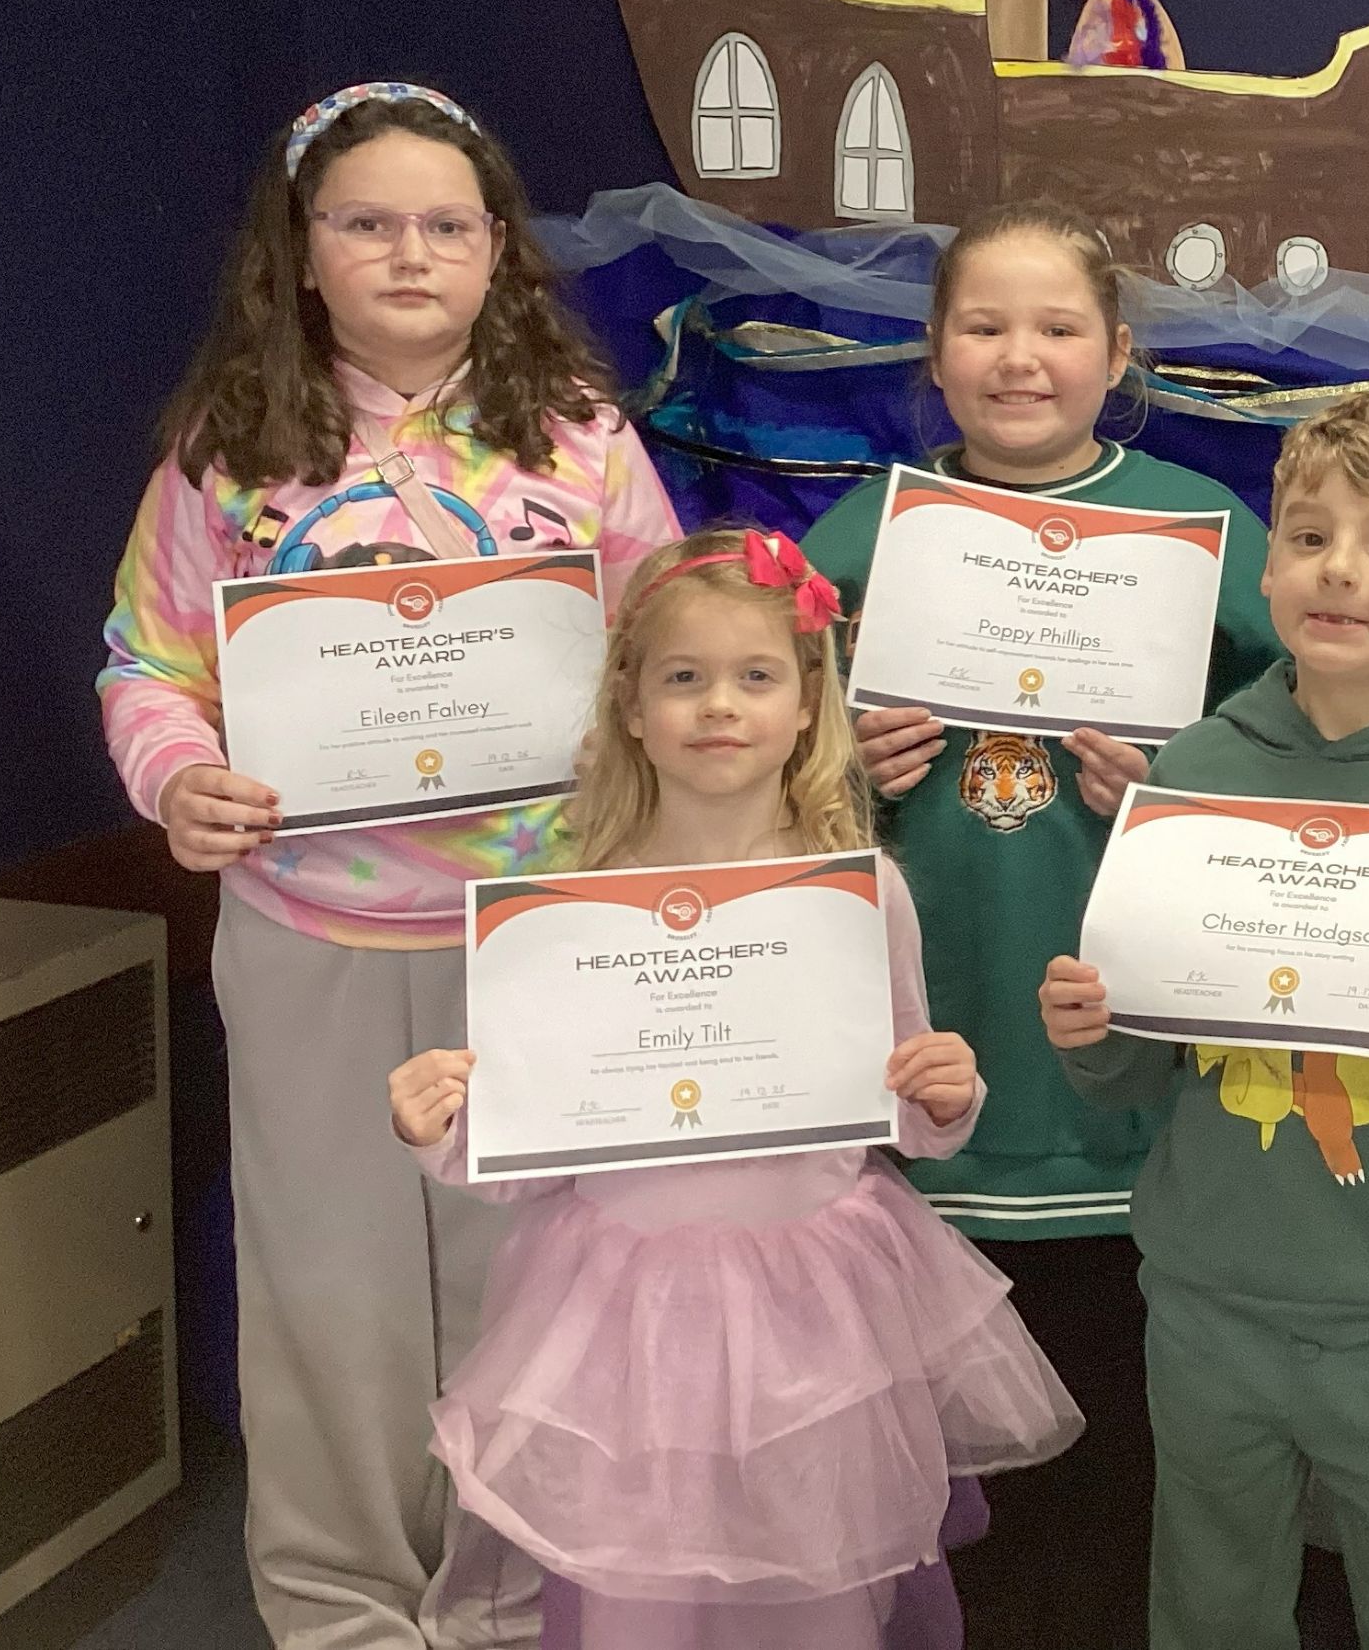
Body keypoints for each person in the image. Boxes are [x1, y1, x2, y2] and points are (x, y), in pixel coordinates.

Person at [99, 82, 681, 1647]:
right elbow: (146, 662)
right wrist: (178, 777)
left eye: (445, 223)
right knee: (329, 1287)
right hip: (312, 931)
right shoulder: (227, 453)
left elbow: (671, 646)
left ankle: (517, 1598)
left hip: (535, 927)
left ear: (498, 249)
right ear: (300, 251)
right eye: (367, 223)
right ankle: (341, 1602)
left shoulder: (580, 438)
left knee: (532, 1286)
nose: (409, 253)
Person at [387, 526, 1081, 1646]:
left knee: (816, 1589)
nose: (719, 706)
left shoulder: (863, 896)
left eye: (756, 676)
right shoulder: (564, 909)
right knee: (638, 1600)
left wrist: (946, 1096)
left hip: (815, 1309)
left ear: (809, 704)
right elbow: (522, 1159)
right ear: (629, 704)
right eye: (683, 679)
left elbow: (905, 1112)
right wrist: (445, 1128)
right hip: (624, 1313)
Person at [798, 200, 1284, 1642]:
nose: (1021, 357)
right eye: (985, 326)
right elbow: (742, 754)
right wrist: (836, 771)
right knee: (957, 1473)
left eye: (1059, 327)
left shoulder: (1203, 531)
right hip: (938, 1060)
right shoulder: (864, 531)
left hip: (1129, 1073)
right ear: (935, 352)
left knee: (1124, 1435)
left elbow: (1313, 752)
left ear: (1117, 354)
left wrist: (1185, 784)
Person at [1038, 393, 1369, 1650]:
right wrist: (1090, 1029)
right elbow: (1133, 1065)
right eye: (1309, 537)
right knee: (1210, 1600)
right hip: (1204, 1300)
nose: (1339, 569)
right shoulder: (1193, 771)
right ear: (1270, 565)